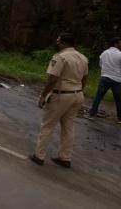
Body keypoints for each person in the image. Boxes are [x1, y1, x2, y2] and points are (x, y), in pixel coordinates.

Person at [30, 33, 88, 168]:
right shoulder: (83, 58)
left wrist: (43, 96)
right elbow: (84, 78)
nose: (56, 44)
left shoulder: (60, 57)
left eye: (58, 41)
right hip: (77, 94)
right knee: (68, 127)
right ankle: (65, 157)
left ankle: (39, 155)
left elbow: (52, 79)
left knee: (48, 125)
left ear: (62, 43)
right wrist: (79, 91)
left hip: (61, 95)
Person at [86, 37, 121, 124]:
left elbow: (100, 64)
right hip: (117, 80)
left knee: (98, 97)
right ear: (116, 44)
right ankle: (120, 119)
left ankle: (91, 115)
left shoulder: (104, 53)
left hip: (105, 78)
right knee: (118, 99)